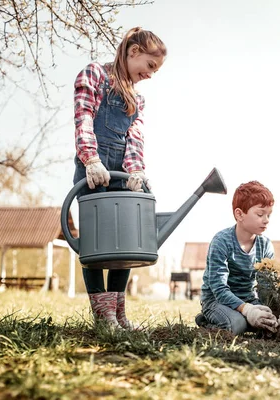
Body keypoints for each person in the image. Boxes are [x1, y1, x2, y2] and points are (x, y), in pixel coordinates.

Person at [72, 27, 167, 329]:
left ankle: (118, 314)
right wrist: (91, 159)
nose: (151, 74)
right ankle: (103, 315)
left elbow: (134, 138)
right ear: (134, 52)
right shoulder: (94, 75)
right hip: (93, 172)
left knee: (123, 244)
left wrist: (135, 171)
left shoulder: (137, 99)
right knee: (96, 245)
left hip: (121, 175)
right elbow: (83, 118)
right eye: (150, 66)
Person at [195, 181, 280, 335]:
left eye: (268, 215)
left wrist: (274, 308)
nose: (266, 220)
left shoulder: (265, 245)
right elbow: (218, 288)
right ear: (239, 214)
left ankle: (243, 319)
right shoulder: (221, 241)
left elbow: (266, 285)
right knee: (237, 325)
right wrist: (247, 310)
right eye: (260, 214)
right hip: (217, 301)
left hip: (249, 301)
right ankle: (206, 320)